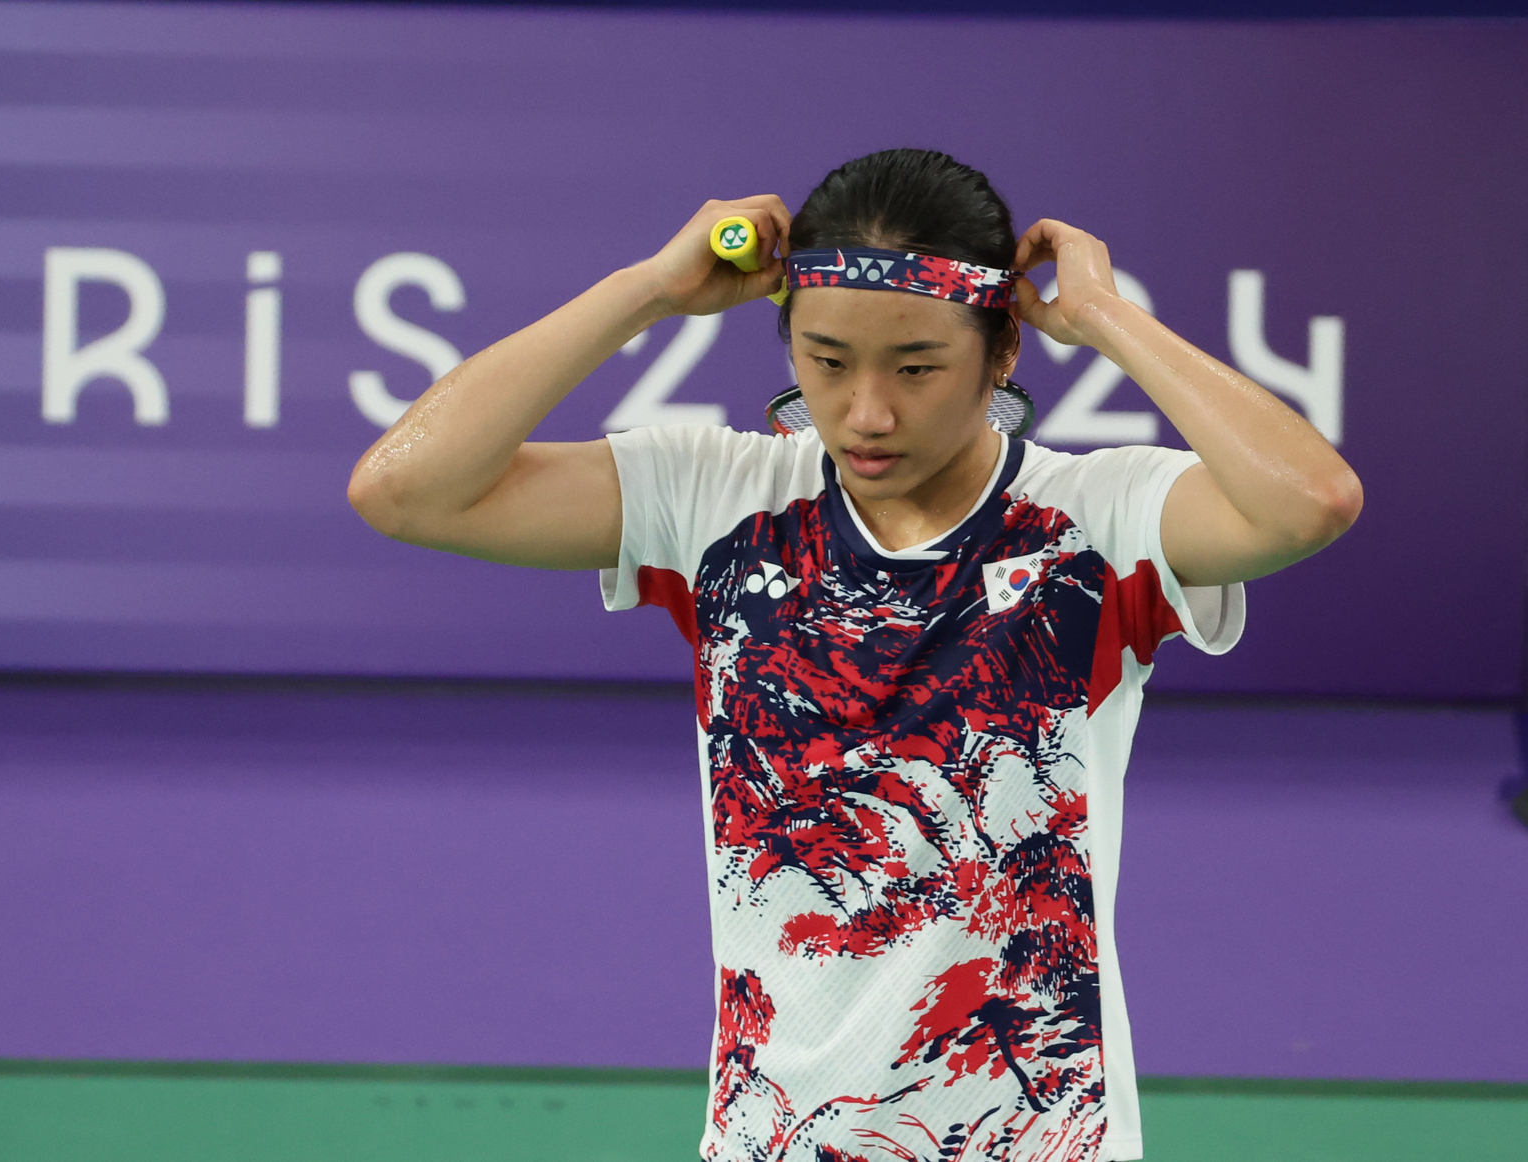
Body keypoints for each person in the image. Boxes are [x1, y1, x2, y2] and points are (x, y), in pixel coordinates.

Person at [347, 149, 1361, 1162]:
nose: (866, 413)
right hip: (768, 1140)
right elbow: (404, 489)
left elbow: (1308, 500)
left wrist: (1105, 317)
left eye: (915, 367)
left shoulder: (1093, 521)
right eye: (826, 362)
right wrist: (644, 291)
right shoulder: (718, 500)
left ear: (1002, 349)